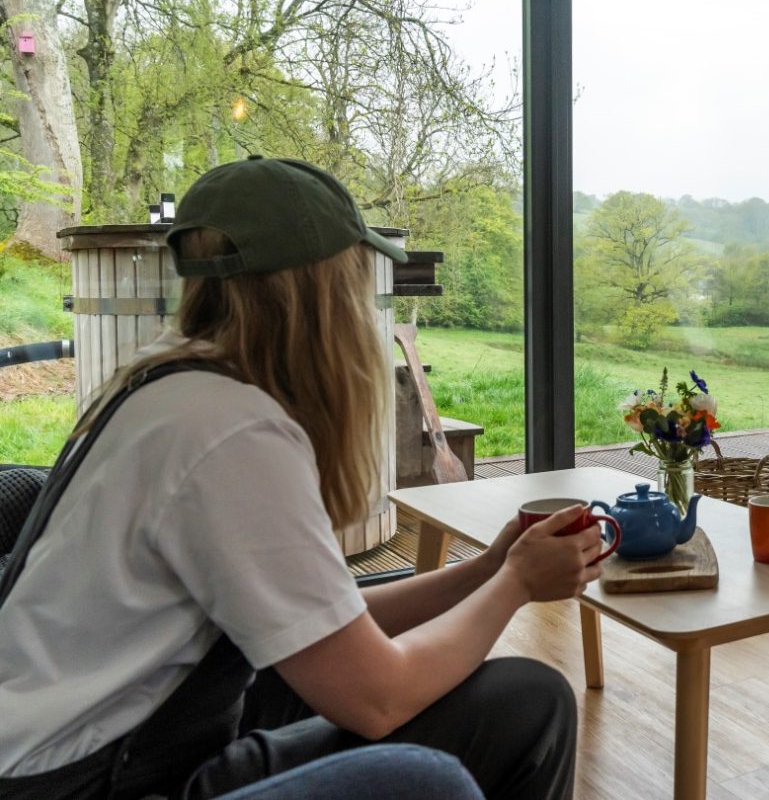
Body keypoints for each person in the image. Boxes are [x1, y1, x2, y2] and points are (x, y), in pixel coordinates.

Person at [0, 157, 604, 800]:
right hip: (85, 780)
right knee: (472, 747)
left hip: (136, 736)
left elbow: (323, 626)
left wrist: (487, 569)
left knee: (525, 703)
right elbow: (379, 697)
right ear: (321, 288)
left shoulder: (171, 387)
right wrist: (515, 585)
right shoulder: (229, 433)